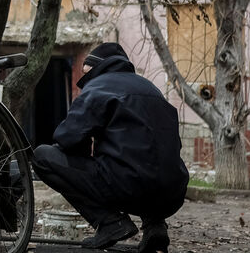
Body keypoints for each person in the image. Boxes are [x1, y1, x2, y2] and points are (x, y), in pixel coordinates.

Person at [31, 42, 188, 252]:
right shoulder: (152, 89)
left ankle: (110, 223)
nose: (84, 81)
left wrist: (82, 157)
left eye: (86, 74)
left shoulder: (98, 87)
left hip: (127, 186)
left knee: (43, 156)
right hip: (173, 192)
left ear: (98, 68)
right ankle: (156, 227)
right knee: (147, 162)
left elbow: (67, 137)